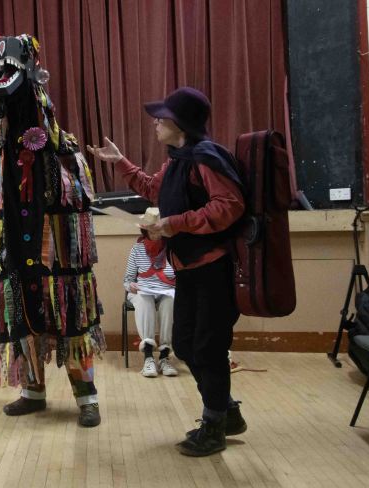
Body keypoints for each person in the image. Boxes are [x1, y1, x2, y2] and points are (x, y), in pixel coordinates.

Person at [87, 87, 247, 456]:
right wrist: (120, 162)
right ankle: (227, 412)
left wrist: (175, 224)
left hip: (213, 268)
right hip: (188, 269)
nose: (156, 122)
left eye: (163, 117)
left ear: (182, 123)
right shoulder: (177, 160)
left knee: (207, 348)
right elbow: (152, 189)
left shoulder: (206, 157)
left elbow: (230, 205)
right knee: (187, 344)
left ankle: (214, 427)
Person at [0, 35, 105, 427]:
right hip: (18, 242)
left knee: (68, 311)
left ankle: (87, 397)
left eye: (9, 68)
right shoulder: (1, 155)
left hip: (56, 250)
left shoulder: (60, 151)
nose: (0, 78)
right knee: (21, 309)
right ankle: (32, 392)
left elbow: (77, 208)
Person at [123, 229, 177, 377]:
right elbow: (127, 280)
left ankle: (164, 357)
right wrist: (131, 285)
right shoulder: (137, 249)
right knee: (144, 301)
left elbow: (181, 275)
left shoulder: (172, 247)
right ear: (146, 231)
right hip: (142, 291)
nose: (155, 233)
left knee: (170, 302)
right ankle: (148, 357)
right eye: (152, 230)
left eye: (158, 229)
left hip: (167, 290)